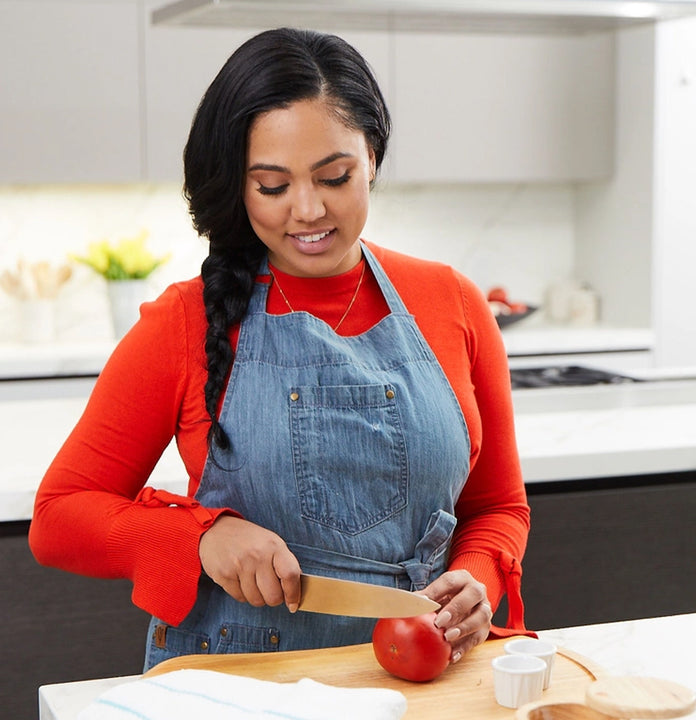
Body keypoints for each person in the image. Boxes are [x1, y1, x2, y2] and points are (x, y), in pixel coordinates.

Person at [29, 27, 532, 671]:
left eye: (335, 176)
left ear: (372, 158)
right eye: (271, 186)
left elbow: (497, 508)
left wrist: (479, 580)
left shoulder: (454, 302)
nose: (307, 210)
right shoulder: (185, 321)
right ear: (237, 186)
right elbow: (58, 518)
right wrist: (202, 538)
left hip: (418, 680)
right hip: (233, 684)